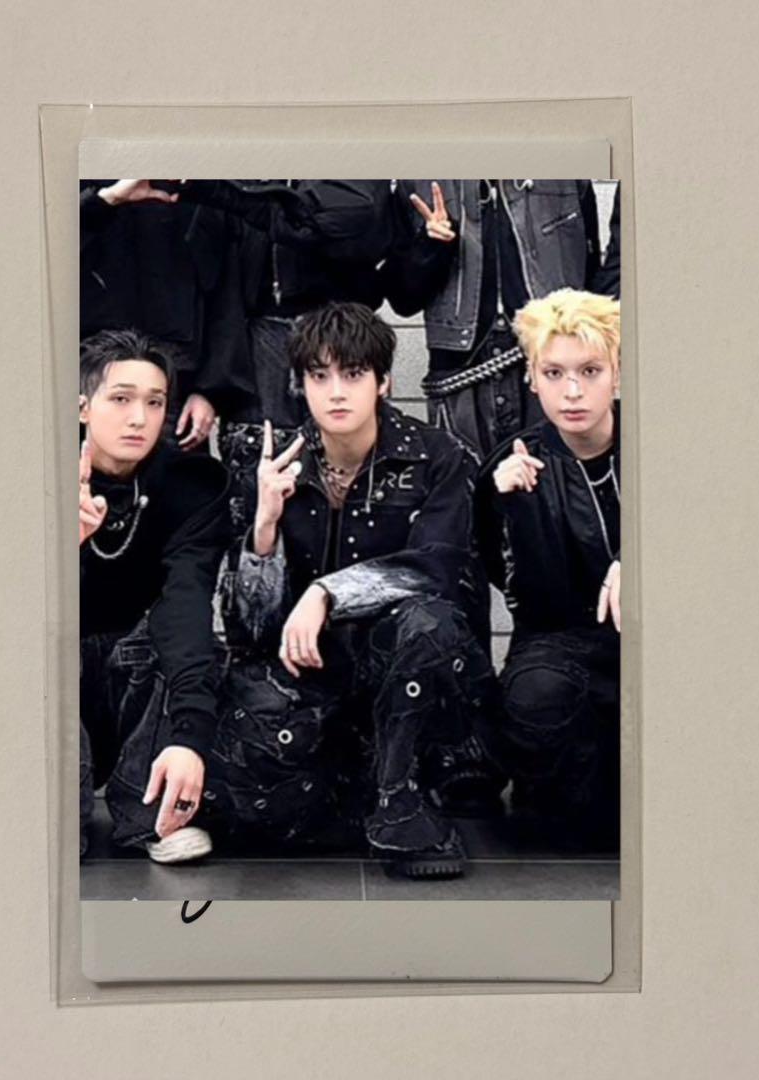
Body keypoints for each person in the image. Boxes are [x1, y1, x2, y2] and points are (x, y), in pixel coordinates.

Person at [212, 302, 496, 879]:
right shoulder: (275, 467)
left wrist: (326, 593)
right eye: (320, 376)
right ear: (300, 384)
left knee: (428, 623)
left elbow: (438, 571)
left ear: (383, 381)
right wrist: (265, 528)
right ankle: (360, 789)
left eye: (353, 374)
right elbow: (251, 632)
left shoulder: (438, 457)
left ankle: (399, 798)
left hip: (413, 677)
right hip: (316, 681)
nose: (336, 392)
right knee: (249, 802)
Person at [475, 288, 622, 852]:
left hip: (655, 641)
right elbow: (502, 580)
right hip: (557, 641)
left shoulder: (662, 448)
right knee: (537, 707)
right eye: (554, 373)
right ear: (532, 379)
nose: (573, 391)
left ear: (617, 373)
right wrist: (503, 506)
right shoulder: (515, 462)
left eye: (590, 371)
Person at [78, 328, 231, 862]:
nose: (139, 419)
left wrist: (189, 736)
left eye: (154, 402)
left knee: (182, 640)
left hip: (135, 677)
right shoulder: (32, 476)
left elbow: (184, 605)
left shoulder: (185, 487)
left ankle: (150, 813)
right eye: (121, 399)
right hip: (56, 681)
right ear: (82, 407)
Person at [172, 180, 395, 533]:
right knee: (257, 485)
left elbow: (337, 219)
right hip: (256, 347)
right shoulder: (236, 171)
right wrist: (208, 388)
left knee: (354, 486)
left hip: (343, 333)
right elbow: (213, 284)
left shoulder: (350, 166)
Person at [381, 179, 620, 461]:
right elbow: (402, 299)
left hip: (549, 360)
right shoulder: (420, 181)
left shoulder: (566, 176)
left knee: (559, 478)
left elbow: (589, 282)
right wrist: (430, 247)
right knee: (466, 482)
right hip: (460, 372)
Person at [79, 179, 255, 451]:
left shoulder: (194, 186)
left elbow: (224, 290)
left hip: (174, 383)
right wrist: (105, 200)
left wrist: (209, 391)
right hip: (87, 373)